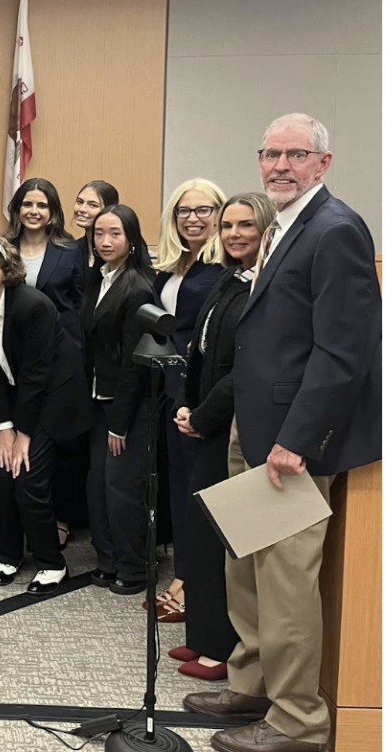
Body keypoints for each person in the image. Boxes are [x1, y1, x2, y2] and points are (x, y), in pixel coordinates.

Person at [185, 114, 382, 752]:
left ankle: (298, 721)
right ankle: (252, 681)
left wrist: (298, 438)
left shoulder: (336, 230)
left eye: (296, 154)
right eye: (271, 153)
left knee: (287, 578)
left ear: (323, 164)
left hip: (293, 439)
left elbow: (344, 353)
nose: (280, 165)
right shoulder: (284, 226)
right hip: (257, 423)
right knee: (246, 566)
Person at [169, 193, 274, 682]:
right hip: (207, 418)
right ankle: (204, 638)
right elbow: (202, 348)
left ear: (267, 229)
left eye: (245, 225)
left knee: (223, 540)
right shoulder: (230, 275)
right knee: (199, 534)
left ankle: (226, 649)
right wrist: (189, 404)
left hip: (234, 423)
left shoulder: (268, 284)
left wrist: (205, 415)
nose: (233, 233)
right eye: (227, 224)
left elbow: (246, 364)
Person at [0, 237, 91, 595]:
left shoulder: (33, 306)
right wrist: (4, 428)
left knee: (28, 475)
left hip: (54, 397)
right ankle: (10, 553)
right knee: (3, 473)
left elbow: (37, 375)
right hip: (18, 394)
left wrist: (23, 434)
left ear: (6, 271)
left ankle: (52, 562)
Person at [150, 178, 227, 624]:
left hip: (200, 392)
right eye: (184, 211)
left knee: (200, 486)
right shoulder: (173, 265)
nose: (193, 218)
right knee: (178, 484)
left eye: (203, 210)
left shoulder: (223, 269)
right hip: (169, 388)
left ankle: (195, 582)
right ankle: (183, 573)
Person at [81, 204, 155, 595]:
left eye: (115, 234)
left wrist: (119, 422)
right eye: (99, 234)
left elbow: (134, 362)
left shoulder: (137, 285)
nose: (105, 241)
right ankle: (108, 560)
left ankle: (133, 567)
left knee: (123, 489)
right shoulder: (100, 278)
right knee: (99, 486)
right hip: (97, 401)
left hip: (124, 407)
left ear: (131, 239)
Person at [3, 178, 85, 345]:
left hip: (60, 343)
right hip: (15, 342)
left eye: (42, 205)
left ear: (52, 211)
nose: (34, 211)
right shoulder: (3, 248)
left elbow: (80, 303)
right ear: (18, 209)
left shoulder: (71, 250)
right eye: (27, 204)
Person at [72, 180, 119, 271]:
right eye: (80, 202)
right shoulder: (74, 248)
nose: (82, 209)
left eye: (93, 205)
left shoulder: (121, 247)